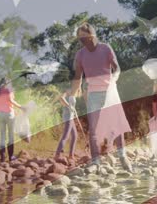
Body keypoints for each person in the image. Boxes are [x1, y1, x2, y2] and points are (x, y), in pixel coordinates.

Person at [72, 23, 132, 171]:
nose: (82, 42)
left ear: (92, 36)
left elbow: (116, 67)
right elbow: (77, 76)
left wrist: (115, 76)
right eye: (80, 39)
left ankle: (122, 155)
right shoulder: (80, 54)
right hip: (93, 94)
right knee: (93, 129)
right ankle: (96, 161)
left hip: (110, 90)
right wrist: (73, 93)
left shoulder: (105, 48)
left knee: (116, 124)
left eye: (84, 38)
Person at [0, 77, 25, 162]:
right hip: (9, 114)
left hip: (0, 114)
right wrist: (21, 107)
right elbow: (11, 101)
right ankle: (11, 157)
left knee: (2, 136)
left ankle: (2, 157)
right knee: (11, 135)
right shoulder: (8, 90)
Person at [55, 88, 79, 160]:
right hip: (68, 118)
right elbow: (61, 98)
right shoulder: (67, 92)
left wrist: (74, 111)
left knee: (74, 136)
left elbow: (72, 106)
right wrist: (69, 106)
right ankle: (57, 154)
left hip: (71, 117)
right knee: (65, 136)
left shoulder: (72, 94)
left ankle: (71, 155)